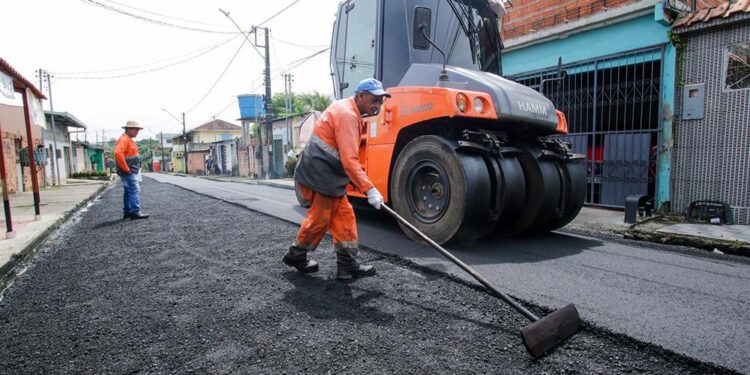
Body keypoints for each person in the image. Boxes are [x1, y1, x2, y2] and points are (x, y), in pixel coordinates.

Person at [283, 78, 390, 280]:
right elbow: (349, 161)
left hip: (327, 176)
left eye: (380, 102)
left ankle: (347, 265)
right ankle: (296, 255)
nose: (378, 106)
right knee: (321, 219)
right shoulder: (347, 114)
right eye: (374, 100)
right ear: (360, 96)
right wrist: (370, 189)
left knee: (344, 217)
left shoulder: (350, 111)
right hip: (318, 175)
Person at [115, 120, 150, 220]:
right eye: (136, 129)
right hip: (128, 171)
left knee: (128, 191)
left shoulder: (128, 139)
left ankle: (127, 212)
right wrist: (126, 168)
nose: (137, 132)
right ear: (129, 129)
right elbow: (118, 153)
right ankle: (135, 212)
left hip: (128, 170)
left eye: (138, 130)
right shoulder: (124, 139)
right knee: (134, 190)